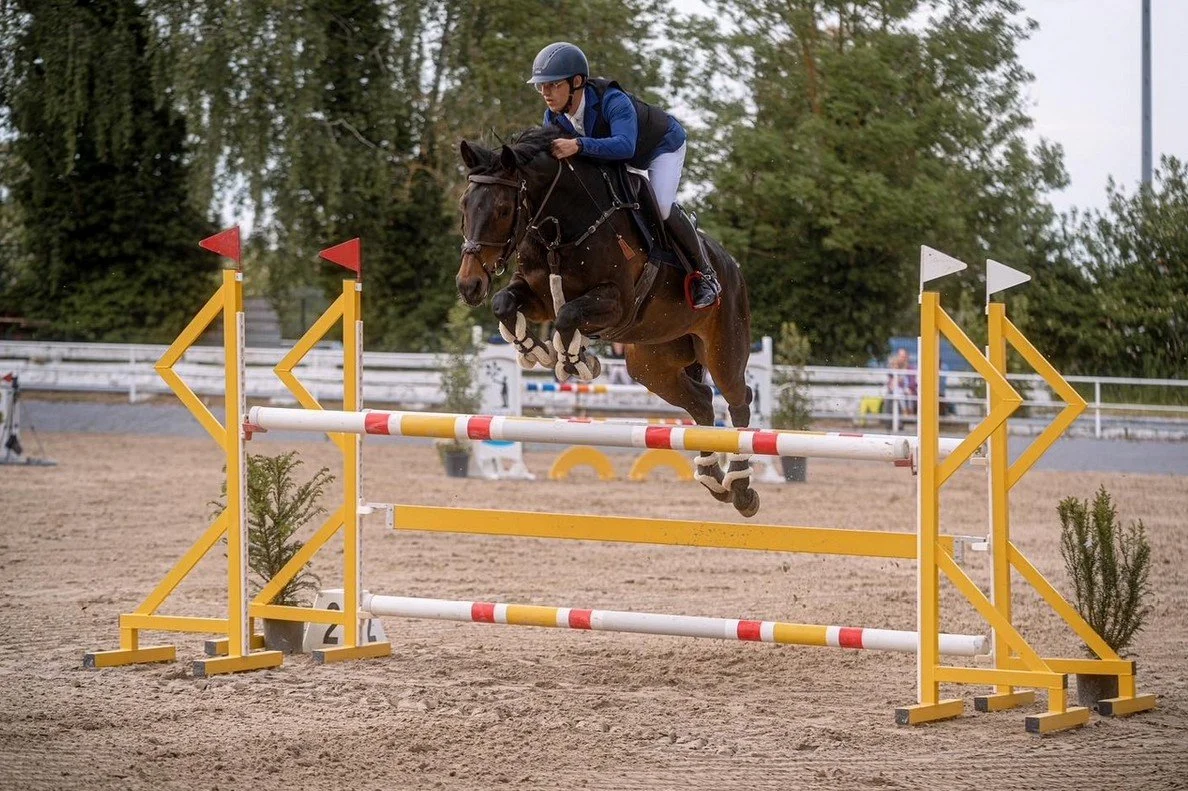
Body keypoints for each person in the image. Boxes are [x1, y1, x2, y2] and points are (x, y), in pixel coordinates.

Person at [526, 41, 721, 310]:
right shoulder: (553, 118)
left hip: (659, 147)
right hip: (615, 156)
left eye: (553, 85)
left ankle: (704, 275)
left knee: (661, 207)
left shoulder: (612, 100)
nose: (546, 93)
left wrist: (579, 145)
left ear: (577, 82)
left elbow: (625, 146)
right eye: (541, 86)